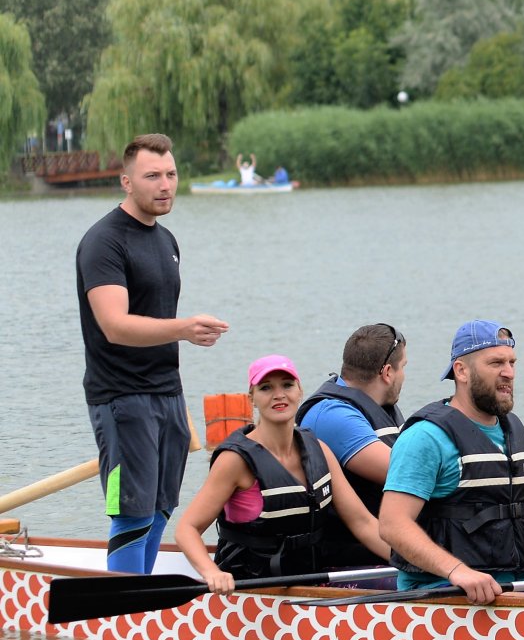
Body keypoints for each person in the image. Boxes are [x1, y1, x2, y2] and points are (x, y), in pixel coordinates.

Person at [76, 133, 229, 573]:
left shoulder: (167, 241)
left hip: (167, 393)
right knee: (131, 507)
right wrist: (184, 329)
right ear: (126, 181)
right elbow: (114, 325)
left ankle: (139, 590)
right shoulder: (104, 242)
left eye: (171, 174)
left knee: (162, 504)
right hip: (120, 398)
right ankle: (121, 604)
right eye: (152, 176)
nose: (165, 185)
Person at [379, 320, 524, 602]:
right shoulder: (426, 437)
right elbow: (392, 524)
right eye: (495, 363)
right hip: (443, 591)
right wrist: (458, 571)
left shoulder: (513, 429)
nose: (509, 373)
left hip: (514, 583)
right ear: (462, 370)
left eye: (512, 362)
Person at [174, 355, 388, 591]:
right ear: (252, 398)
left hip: (310, 582)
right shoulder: (235, 461)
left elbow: (363, 523)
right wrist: (211, 573)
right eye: (266, 388)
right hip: (252, 590)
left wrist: (409, 559)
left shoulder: (320, 451)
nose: (279, 395)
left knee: (400, 581)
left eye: (287, 385)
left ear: (300, 391)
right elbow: (187, 529)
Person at [294, 323, 409, 567]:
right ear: (387, 372)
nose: (404, 376)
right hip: (350, 563)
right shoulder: (330, 415)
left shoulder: (380, 407)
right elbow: (407, 474)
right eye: (404, 368)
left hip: (388, 549)